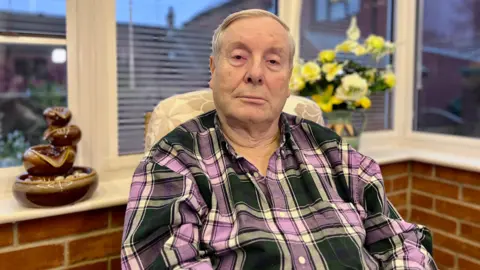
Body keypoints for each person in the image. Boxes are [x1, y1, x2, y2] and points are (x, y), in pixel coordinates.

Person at [121, 9, 437, 270]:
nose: (255, 73)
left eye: (273, 61)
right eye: (239, 57)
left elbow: (401, 243)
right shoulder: (171, 163)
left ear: (287, 80)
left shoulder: (336, 153)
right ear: (213, 69)